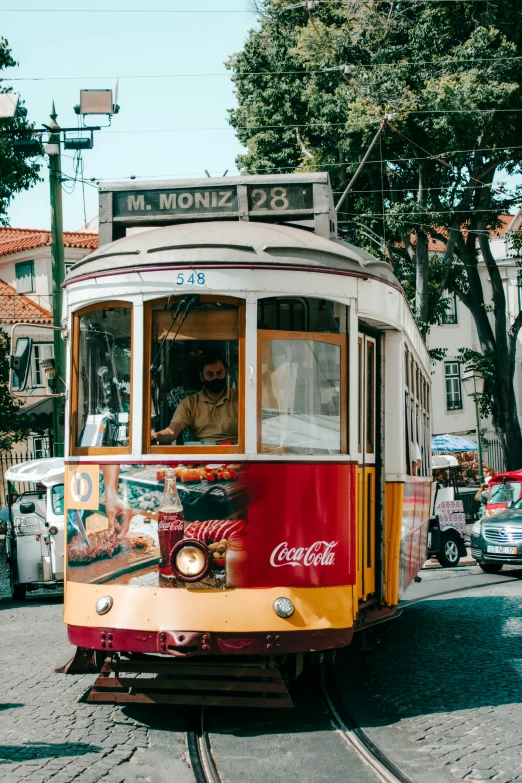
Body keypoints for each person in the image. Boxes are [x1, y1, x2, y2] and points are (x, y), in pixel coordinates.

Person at [152, 351, 238, 444]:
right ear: (201, 376)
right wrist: (156, 435)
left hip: (234, 454)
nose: (215, 378)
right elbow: (171, 432)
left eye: (219, 373)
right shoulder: (189, 403)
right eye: (210, 374)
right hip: (201, 454)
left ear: (226, 372)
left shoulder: (242, 399)